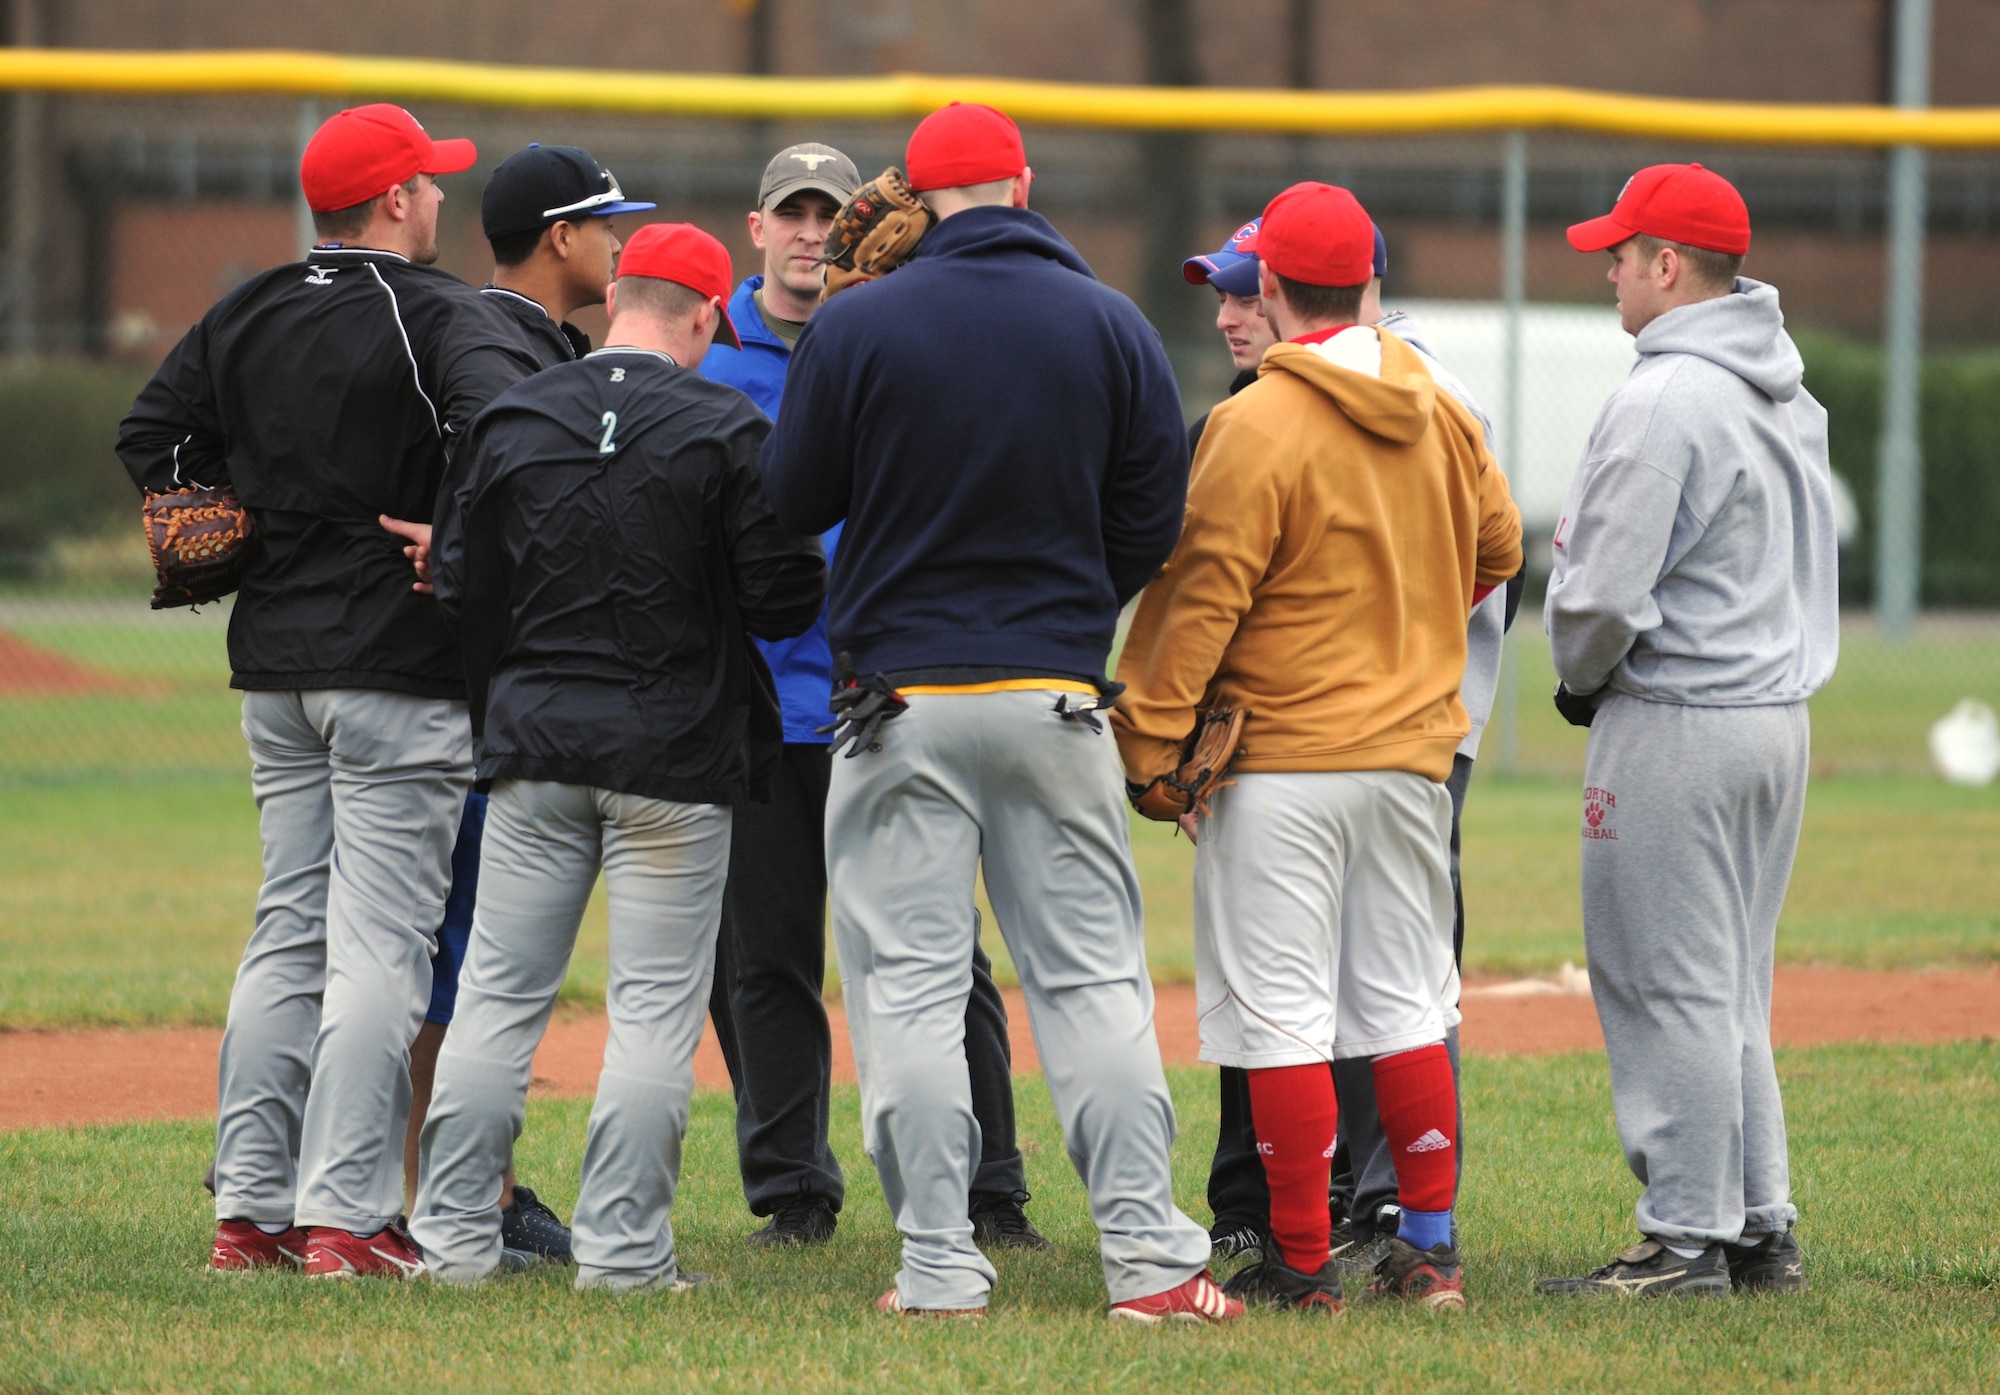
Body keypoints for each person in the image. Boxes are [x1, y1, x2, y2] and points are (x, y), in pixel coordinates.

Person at [761, 101, 1236, 1324]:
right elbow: (1150, 519)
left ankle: (935, 1267)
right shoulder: (1111, 320)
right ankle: (1148, 1263)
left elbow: (791, 494)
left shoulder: (858, 318)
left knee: (909, 992)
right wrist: (1069, 606)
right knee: (1087, 986)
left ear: (912, 198)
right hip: (1054, 690)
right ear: (1022, 186)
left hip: (895, 700)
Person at [117, 103, 543, 1278]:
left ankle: (248, 1212)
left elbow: (155, 429)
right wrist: (454, 532)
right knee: (381, 950)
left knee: (285, 937)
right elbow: (508, 424)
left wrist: (239, 532)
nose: (442, 200)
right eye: (430, 184)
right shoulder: (431, 311)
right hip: (397, 664)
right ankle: (347, 1220)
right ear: (397, 199)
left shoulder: (246, 305)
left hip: (274, 667)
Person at [1115, 182, 1522, 1314]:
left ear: (1278, 290)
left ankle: (1300, 1263)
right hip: (1410, 759)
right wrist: (1411, 630)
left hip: (1283, 759)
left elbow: (1197, 602)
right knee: (1401, 1000)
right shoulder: (1437, 407)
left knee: (1283, 1012)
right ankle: (1428, 1251)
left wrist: (1148, 740)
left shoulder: (1257, 420)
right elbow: (1497, 546)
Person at [410, 222, 827, 1290]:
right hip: (675, 759)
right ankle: (626, 1257)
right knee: (651, 1010)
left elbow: (458, 582)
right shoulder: (725, 423)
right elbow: (785, 591)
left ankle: (453, 1242)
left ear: (616, 302)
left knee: (497, 999)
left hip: (537, 744)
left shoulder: (516, 413)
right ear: (700, 317)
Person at [696, 141, 1047, 1251]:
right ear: (755, 228)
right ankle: (794, 1191)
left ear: (861, 225)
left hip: (890, 694)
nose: (808, 231)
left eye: (826, 213)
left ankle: (991, 1189)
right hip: (756, 705)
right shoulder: (710, 358)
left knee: (946, 953)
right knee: (763, 959)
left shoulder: (904, 335)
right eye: (787, 212)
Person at [1536, 164, 1835, 1298]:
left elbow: (1600, 595)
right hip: (1770, 716)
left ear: (1669, 266)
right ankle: (1756, 1225)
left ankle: (1681, 1240)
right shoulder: (1780, 389)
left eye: (1619, 252)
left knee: (1664, 979)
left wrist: (1578, 675)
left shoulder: (1664, 394)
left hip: (1678, 718)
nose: (1607, 269)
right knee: (1725, 987)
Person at [390, 142, 659, 1266]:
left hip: (487, 691)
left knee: (455, 957)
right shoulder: (490, 343)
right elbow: (524, 491)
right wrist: (464, 542)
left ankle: (452, 1185)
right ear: (560, 236)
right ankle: (451, 1195)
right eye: (606, 225)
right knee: (449, 958)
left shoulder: (530, 342)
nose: (617, 243)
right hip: (457, 697)